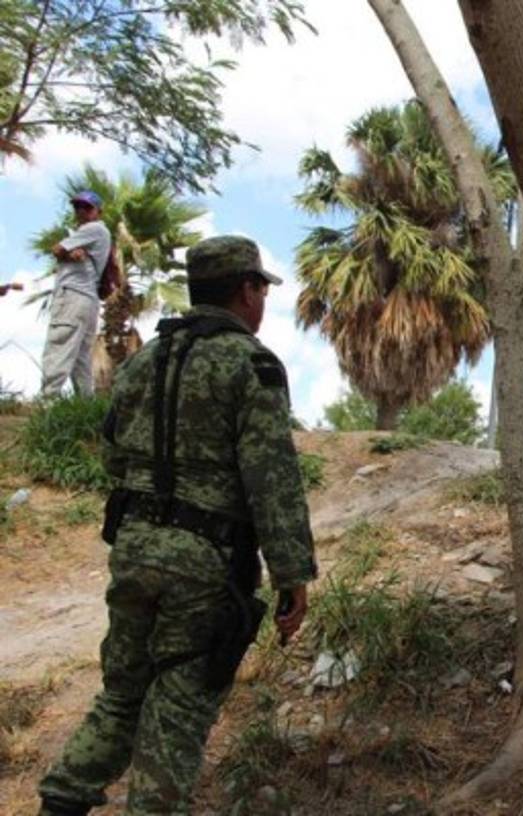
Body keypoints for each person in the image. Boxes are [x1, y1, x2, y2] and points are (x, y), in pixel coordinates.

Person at [38, 236, 318, 816]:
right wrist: (293, 575)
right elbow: (272, 477)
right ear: (247, 291)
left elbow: (115, 451)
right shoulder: (252, 365)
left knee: (121, 699)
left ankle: (59, 801)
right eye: (262, 288)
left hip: (134, 551)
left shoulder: (143, 361)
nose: (263, 299)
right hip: (204, 565)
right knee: (180, 709)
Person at [40, 191, 112, 399]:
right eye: (77, 206)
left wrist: (66, 252)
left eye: (87, 207)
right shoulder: (95, 233)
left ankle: (48, 401)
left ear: (98, 211)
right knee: (81, 357)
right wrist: (70, 253)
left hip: (73, 295)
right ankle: (85, 405)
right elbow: (65, 252)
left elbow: (57, 249)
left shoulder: (94, 229)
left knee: (59, 345)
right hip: (88, 299)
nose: (81, 211)